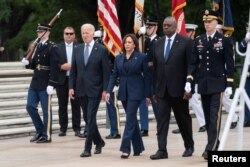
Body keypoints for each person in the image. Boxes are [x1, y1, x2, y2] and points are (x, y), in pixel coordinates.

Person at [186, 9, 234, 160]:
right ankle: (215, 143)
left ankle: (211, 148)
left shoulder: (224, 40)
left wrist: (230, 84)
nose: (207, 24)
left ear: (216, 22)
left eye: (210, 21)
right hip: (203, 84)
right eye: (205, 22)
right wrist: (189, 80)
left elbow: (230, 63)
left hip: (218, 84)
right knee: (207, 118)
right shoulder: (199, 40)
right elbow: (193, 64)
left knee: (214, 117)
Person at [150, 16, 194, 160]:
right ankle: (162, 150)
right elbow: (156, 68)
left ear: (175, 26)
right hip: (162, 90)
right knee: (161, 122)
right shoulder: (158, 44)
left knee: (183, 120)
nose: (166, 28)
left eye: (168, 25)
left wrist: (189, 86)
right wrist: (155, 89)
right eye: (164, 25)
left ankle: (189, 145)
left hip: (179, 90)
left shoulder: (185, 42)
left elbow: (191, 65)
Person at [104, 34, 151, 159]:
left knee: (129, 118)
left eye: (130, 42)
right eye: (125, 42)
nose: (127, 44)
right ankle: (138, 147)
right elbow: (114, 75)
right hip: (123, 92)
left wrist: (148, 94)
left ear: (135, 44)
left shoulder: (141, 57)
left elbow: (147, 76)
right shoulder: (119, 58)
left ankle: (125, 148)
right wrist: (108, 91)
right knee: (132, 120)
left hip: (137, 91)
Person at [69, 23, 110, 157]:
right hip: (80, 89)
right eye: (83, 33)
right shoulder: (78, 49)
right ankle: (99, 141)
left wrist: (105, 89)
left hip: (95, 89)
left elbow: (106, 72)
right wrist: (71, 87)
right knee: (88, 118)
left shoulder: (101, 49)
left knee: (91, 117)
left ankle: (87, 148)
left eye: (87, 32)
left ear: (93, 33)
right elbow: (73, 71)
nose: (85, 35)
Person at [21, 24, 59, 143]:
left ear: (47, 33)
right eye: (38, 31)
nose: (39, 33)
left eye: (41, 31)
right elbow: (34, 65)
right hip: (36, 81)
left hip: (46, 82)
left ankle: (46, 135)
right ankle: (39, 131)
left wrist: (52, 83)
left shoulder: (52, 47)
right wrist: (27, 62)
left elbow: (55, 67)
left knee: (46, 110)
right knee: (30, 106)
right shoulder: (36, 46)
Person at [172, 23, 206, 134]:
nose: (185, 33)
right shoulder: (181, 44)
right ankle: (182, 125)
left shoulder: (197, 43)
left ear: (193, 32)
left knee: (195, 100)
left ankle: (203, 123)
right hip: (182, 77)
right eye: (184, 30)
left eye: (188, 31)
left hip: (194, 77)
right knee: (181, 103)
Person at [52, 26, 83, 137]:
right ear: (63, 35)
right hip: (62, 79)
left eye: (71, 33)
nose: (69, 35)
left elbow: (84, 62)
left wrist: (74, 66)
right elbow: (53, 64)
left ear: (74, 35)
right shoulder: (57, 48)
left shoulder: (79, 47)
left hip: (75, 80)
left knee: (76, 105)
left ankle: (77, 128)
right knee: (62, 105)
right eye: (67, 33)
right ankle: (63, 128)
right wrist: (61, 67)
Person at [94, 29, 121, 139]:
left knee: (112, 106)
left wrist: (116, 81)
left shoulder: (112, 42)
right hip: (98, 79)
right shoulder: (98, 43)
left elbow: (116, 62)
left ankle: (115, 130)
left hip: (110, 79)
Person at [138, 16, 161, 137]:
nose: (147, 29)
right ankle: (145, 128)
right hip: (147, 76)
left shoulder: (159, 41)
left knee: (157, 106)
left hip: (156, 77)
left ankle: (161, 127)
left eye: (150, 27)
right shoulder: (147, 41)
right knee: (146, 101)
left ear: (156, 28)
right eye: (146, 27)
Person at [216, 24, 239, 129]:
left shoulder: (227, 42)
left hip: (224, 74)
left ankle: (234, 117)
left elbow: (230, 61)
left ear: (222, 31)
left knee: (225, 99)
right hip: (216, 74)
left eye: (218, 30)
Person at [239, 29, 250, 127]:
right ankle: (248, 119)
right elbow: (240, 49)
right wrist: (246, 40)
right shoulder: (247, 39)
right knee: (246, 94)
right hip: (247, 73)